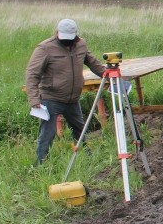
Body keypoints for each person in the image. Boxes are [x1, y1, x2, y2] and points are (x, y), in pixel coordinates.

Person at [25, 19, 105, 165]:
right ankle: (41, 164)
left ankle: (88, 159)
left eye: (70, 38)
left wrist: (107, 74)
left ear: (76, 34)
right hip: (51, 98)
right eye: (64, 38)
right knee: (47, 134)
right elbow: (32, 74)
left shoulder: (81, 45)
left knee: (80, 130)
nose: (67, 42)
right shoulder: (45, 48)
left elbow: (93, 62)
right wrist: (34, 99)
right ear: (57, 33)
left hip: (73, 98)